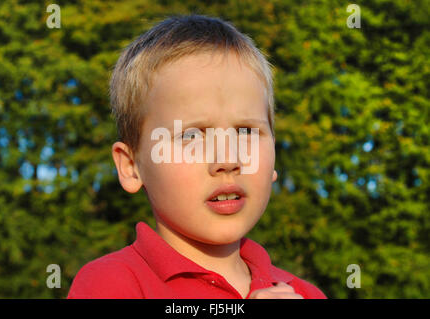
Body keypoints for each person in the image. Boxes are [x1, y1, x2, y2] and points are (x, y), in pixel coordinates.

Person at [67, 14, 326, 299]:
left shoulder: (303, 294)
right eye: (191, 136)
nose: (228, 160)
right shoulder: (111, 283)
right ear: (131, 166)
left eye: (245, 131)